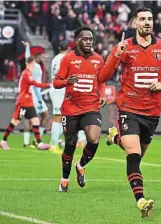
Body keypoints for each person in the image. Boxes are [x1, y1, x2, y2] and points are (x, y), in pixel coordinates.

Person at [98, 7, 161, 218]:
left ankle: (115, 137)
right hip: (128, 107)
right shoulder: (124, 47)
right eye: (142, 19)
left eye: (150, 19)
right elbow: (102, 76)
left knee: (138, 153)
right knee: (134, 155)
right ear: (134, 24)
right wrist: (115, 55)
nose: (147, 22)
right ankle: (141, 201)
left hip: (152, 112)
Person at [53, 26, 106, 192]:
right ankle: (64, 179)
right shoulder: (68, 59)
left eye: (91, 39)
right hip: (71, 108)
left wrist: (102, 94)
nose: (89, 41)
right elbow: (56, 83)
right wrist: (68, 81)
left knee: (94, 138)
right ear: (77, 41)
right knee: (70, 144)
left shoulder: (99, 59)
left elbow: (102, 79)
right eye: (85, 39)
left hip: (91, 106)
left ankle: (81, 165)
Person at [0, 56, 51, 150]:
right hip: (23, 102)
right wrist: (49, 85)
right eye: (33, 64)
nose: (33, 66)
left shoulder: (28, 73)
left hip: (29, 102)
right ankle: (3, 141)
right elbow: (36, 84)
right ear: (30, 64)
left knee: (36, 120)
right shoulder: (26, 73)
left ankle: (39, 143)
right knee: (15, 122)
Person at [49, 41, 87, 153]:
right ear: (69, 48)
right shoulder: (67, 58)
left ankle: (79, 140)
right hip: (60, 89)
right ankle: (53, 145)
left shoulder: (55, 58)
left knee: (72, 114)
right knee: (58, 117)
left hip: (60, 88)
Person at [21, 41, 49, 148]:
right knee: (33, 117)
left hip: (36, 94)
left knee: (43, 116)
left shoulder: (37, 66)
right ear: (37, 56)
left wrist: (27, 47)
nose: (44, 56)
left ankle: (33, 141)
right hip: (34, 95)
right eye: (42, 55)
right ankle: (28, 142)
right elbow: (27, 57)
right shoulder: (35, 67)